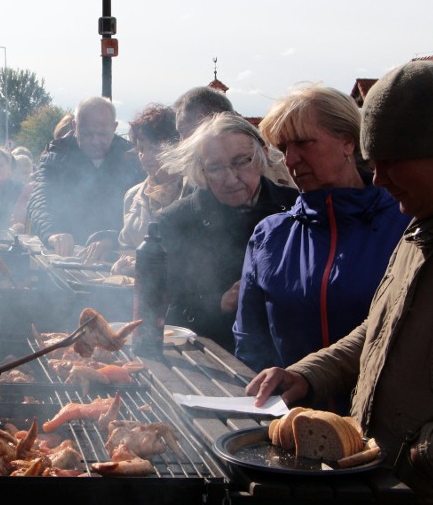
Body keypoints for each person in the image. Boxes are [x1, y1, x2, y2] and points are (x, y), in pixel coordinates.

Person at [248, 61, 433, 505]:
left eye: (393, 161)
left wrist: (423, 449)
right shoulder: (419, 228)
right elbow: (377, 329)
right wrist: (307, 373)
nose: (379, 178)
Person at [233, 86, 410, 380]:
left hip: (384, 421)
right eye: (284, 148)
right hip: (290, 419)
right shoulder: (270, 236)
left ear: (348, 142)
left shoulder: (406, 225)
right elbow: (250, 340)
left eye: (303, 143)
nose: (290, 160)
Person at [156, 113, 298, 351]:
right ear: (200, 170)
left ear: (262, 154)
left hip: (289, 360)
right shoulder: (176, 222)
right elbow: (167, 314)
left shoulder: (295, 210)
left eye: (242, 161)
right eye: (215, 168)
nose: (230, 179)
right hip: (210, 362)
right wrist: (220, 304)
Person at [27, 96, 144, 256]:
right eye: (87, 134)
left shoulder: (131, 158)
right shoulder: (58, 154)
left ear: (115, 127)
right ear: (75, 126)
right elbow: (41, 197)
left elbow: (139, 210)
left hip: (115, 255)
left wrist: (112, 238)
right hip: (68, 254)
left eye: (103, 134)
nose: (95, 141)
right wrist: (52, 233)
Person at [118, 103, 184, 249]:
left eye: (154, 149)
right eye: (141, 149)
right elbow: (126, 247)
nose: (145, 157)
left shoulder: (191, 191)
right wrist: (125, 261)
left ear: (175, 147)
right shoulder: (132, 196)